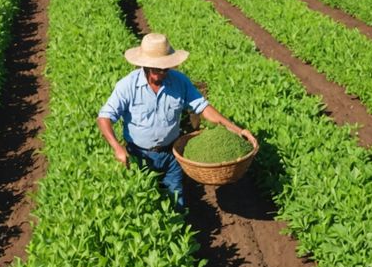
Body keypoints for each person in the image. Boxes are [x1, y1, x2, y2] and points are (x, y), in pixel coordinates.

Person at [96, 33, 255, 210]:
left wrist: (237, 130)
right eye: (157, 69)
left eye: (165, 68)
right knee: (145, 206)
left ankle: (179, 225)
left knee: (176, 203)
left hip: (172, 155)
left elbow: (203, 108)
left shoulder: (179, 82)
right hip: (139, 156)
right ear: (145, 65)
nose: (162, 73)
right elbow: (104, 118)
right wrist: (117, 148)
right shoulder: (127, 86)